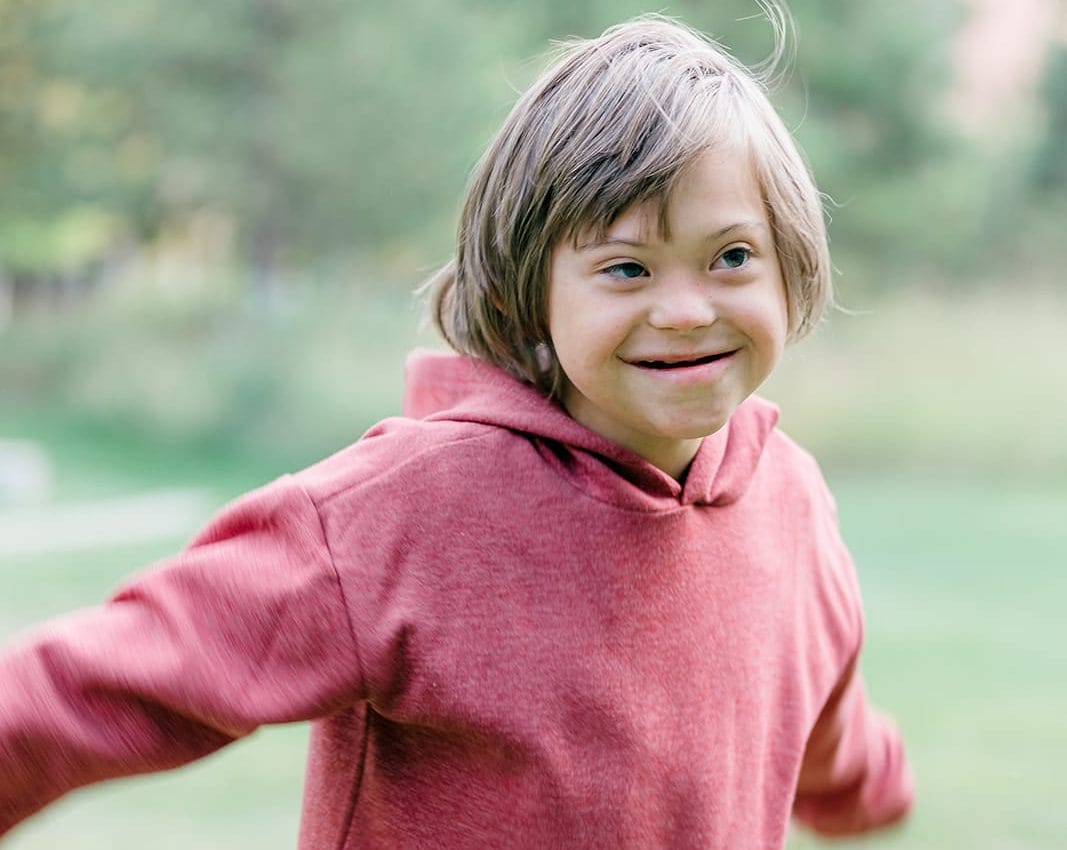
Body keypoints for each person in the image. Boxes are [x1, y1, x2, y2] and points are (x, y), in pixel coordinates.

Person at [0, 13, 913, 849]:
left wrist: (864, 788)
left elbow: (817, 700)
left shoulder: (790, 502)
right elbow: (121, 675)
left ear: (792, 266)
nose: (684, 309)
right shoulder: (409, 510)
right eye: (626, 268)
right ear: (531, 291)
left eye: (731, 257)